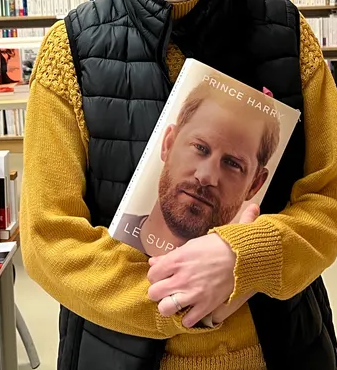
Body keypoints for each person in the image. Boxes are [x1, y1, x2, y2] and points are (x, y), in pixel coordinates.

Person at [21, 0, 337, 370]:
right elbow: (49, 240)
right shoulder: (70, 52)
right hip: (118, 357)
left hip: (280, 353)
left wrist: (244, 259)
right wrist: (183, 301)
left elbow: (331, 201)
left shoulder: (286, 35)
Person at [112, 85, 280, 257]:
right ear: (168, 144)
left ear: (255, 185)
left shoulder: (251, 277)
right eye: (200, 148)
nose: (206, 176)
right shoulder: (104, 235)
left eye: (232, 163)